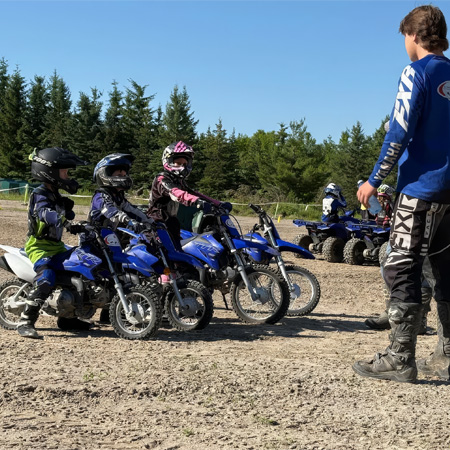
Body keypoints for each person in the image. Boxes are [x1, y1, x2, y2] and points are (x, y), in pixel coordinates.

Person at [353, 5, 450, 383]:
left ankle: (400, 357)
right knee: (444, 269)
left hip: (421, 188)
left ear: (412, 35)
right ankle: (445, 355)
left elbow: (399, 131)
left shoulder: (416, 72)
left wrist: (374, 180)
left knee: (401, 263)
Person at [18, 147, 89, 339]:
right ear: (50, 172)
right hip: (39, 247)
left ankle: (67, 318)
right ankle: (26, 321)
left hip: (57, 246)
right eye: (64, 172)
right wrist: (63, 220)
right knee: (47, 276)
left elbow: (66, 214)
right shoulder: (39, 194)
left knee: (79, 268)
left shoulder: (56, 195)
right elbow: (44, 213)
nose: (67, 176)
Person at [147, 141, 232, 246]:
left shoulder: (179, 181)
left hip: (171, 222)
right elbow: (176, 193)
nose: (183, 167)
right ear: (168, 161)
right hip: (156, 223)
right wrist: (196, 202)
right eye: (178, 163)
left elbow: (194, 193)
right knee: (163, 255)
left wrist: (218, 204)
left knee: (180, 256)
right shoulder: (162, 178)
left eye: (185, 164)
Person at [87, 153, 154, 237]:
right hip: (93, 239)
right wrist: (130, 222)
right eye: (119, 175)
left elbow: (133, 211)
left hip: (109, 238)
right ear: (104, 175)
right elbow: (111, 211)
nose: (124, 177)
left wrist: (152, 222)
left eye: (125, 175)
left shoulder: (119, 197)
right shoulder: (100, 196)